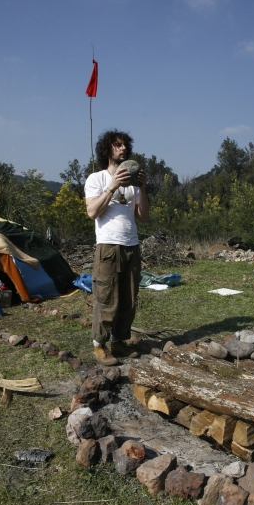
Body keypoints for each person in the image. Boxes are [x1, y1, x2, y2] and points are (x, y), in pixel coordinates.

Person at [84, 129, 149, 366]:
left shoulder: (132, 185)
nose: (123, 148)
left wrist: (142, 188)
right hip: (108, 248)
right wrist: (111, 187)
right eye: (117, 145)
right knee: (107, 298)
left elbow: (142, 217)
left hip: (131, 246)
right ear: (107, 149)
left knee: (128, 300)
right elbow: (92, 212)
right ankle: (99, 345)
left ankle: (118, 342)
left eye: (125, 145)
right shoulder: (97, 179)